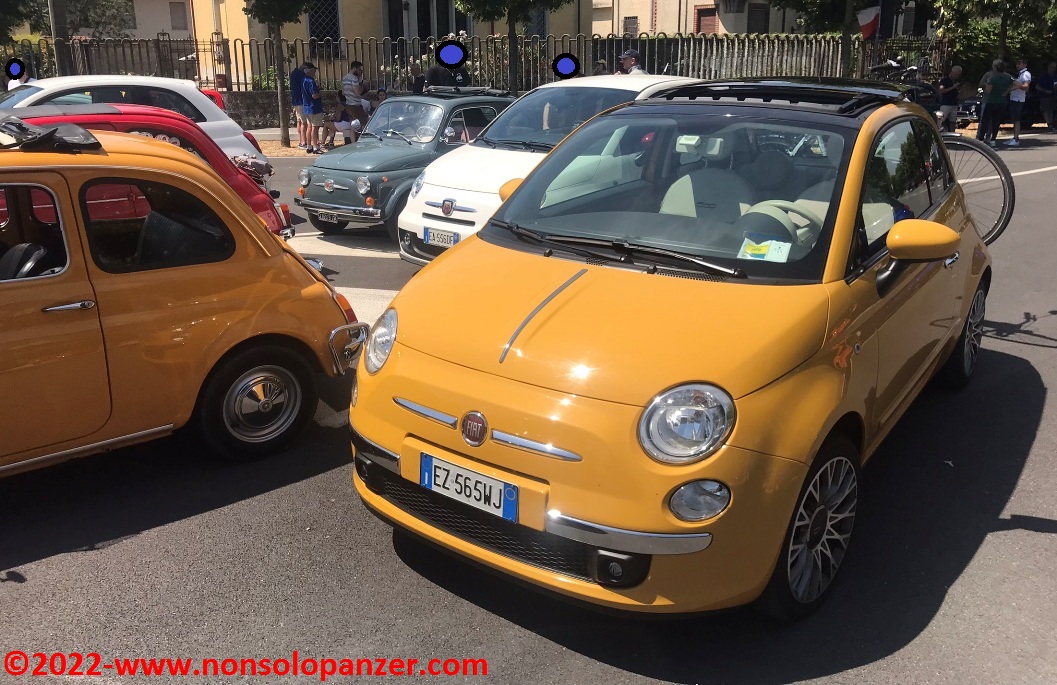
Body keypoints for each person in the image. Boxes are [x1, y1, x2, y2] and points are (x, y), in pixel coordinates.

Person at [979, 60, 1013, 147]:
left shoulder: (993, 78)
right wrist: (1007, 91)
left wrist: (985, 87)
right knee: (996, 121)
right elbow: (1017, 84)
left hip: (991, 101)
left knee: (985, 120)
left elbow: (988, 91)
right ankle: (993, 139)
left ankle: (981, 138)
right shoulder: (1008, 77)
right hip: (1002, 101)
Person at [1005, 58, 1032, 147]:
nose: (1017, 65)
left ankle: (1016, 139)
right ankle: (1014, 137)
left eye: (1019, 63)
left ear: (1024, 65)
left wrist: (1016, 86)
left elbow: (1026, 87)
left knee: (1016, 119)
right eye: (1017, 63)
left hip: (1018, 99)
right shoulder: (1020, 74)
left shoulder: (1026, 74)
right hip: (1014, 98)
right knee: (1014, 119)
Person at [342, 61, 369, 143]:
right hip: (355, 105)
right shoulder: (354, 78)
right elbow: (358, 92)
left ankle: (353, 143)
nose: (360, 71)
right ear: (354, 68)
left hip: (348, 104)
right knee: (364, 124)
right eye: (359, 69)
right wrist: (363, 84)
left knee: (352, 126)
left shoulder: (345, 78)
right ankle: (365, 141)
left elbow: (343, 92)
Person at [301, 64, 324, 154]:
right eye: (314, 70)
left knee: (309, 127)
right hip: (314, 107)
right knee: (315, 128)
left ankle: (309, 146)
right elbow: (314, 95)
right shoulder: (311, 81)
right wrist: (320, 93)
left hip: (307, 107)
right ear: (310, 70)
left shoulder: (304, 80)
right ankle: (315, 147)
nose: (315, 72)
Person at [937, 65, 963, 133]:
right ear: (952, 72)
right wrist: (952, 87)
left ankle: (952, 133)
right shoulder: (944, 80)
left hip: (954, 103)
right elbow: (941, 90)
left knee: (953, 121)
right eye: (956, 74)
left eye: (958, 75)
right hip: (946, 103)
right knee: (941, 120)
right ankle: (938, 133)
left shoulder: (955, 81)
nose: (957, 76)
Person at [290, 61, 309, 148]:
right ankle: (304, 142)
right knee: (304, 122)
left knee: (299, 121)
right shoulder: (301, 75)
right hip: (301, 101)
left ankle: (301, 140)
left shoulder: (294, 73)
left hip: (296, 101)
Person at [1038, 62, 1057, 132]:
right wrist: (1045, 90)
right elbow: (1037, 86)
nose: (1053, 69)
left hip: (1053, 95)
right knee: (1045, 110)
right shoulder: (1043, 76)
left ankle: (1051, 124)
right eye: (1052, 67)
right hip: (1044, 96)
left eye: (1054, 67)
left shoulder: (1055, 76)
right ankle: (1048, 123)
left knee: (1051, 110)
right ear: (1048, 67)